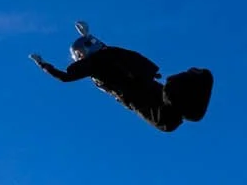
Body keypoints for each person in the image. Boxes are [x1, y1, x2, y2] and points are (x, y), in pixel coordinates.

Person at [31, 23, 212, 133]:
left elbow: (65, 77)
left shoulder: (94, 62)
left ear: (81, 54)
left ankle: (192, 86)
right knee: (175, 114)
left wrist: (43, 65)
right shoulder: (109, 53)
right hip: (149, 87)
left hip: (140, 97)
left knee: (168, 121)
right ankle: (195, 85)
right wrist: (151, 72)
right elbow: (133, 57)